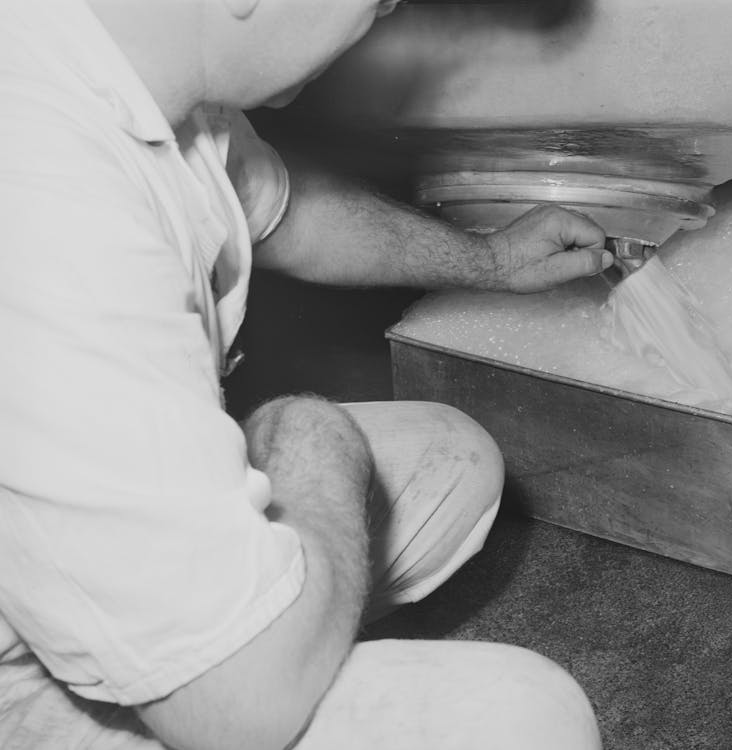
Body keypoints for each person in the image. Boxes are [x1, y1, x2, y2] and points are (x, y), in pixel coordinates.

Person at [0, 1, 611, 748]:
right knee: (525, 720)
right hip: (43, 675)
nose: (378, 20)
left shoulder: (142, 66)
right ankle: (245, 651)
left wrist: (490, 261)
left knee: (453, 460)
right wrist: (313, 439)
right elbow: (232, 711)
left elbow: (288, 211)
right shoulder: (45, 198)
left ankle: (273, 633)